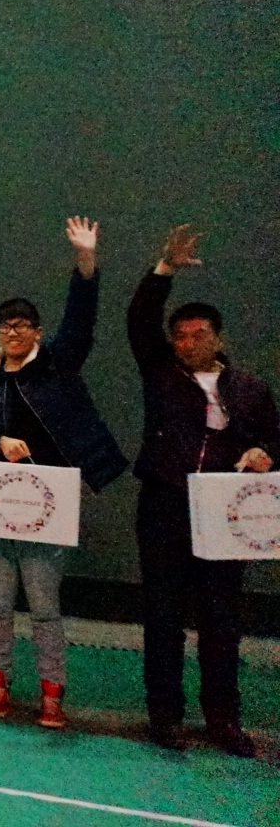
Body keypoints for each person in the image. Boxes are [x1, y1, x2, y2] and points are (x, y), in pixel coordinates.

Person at [0, 218, 128, 728]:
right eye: (6, 326)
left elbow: (81, 323)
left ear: (37, 333)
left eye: (23, 325)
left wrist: (86, 262)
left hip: (48, 506)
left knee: (45, 608)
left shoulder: (57, 364)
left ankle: (52, 693)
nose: (14, 332)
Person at [127, 224, 279, 757]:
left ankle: (222, 719)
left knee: (221, 621)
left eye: (197, 334)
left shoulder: (252, 390)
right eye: (180, 336)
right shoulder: (161, 375)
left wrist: (264, 454)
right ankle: (165, 717)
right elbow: (140, 320)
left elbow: (274, 440)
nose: (186, 343)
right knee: (163, 619)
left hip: (224, 514)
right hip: (165, 506)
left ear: (218, 339)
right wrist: (164, 268)